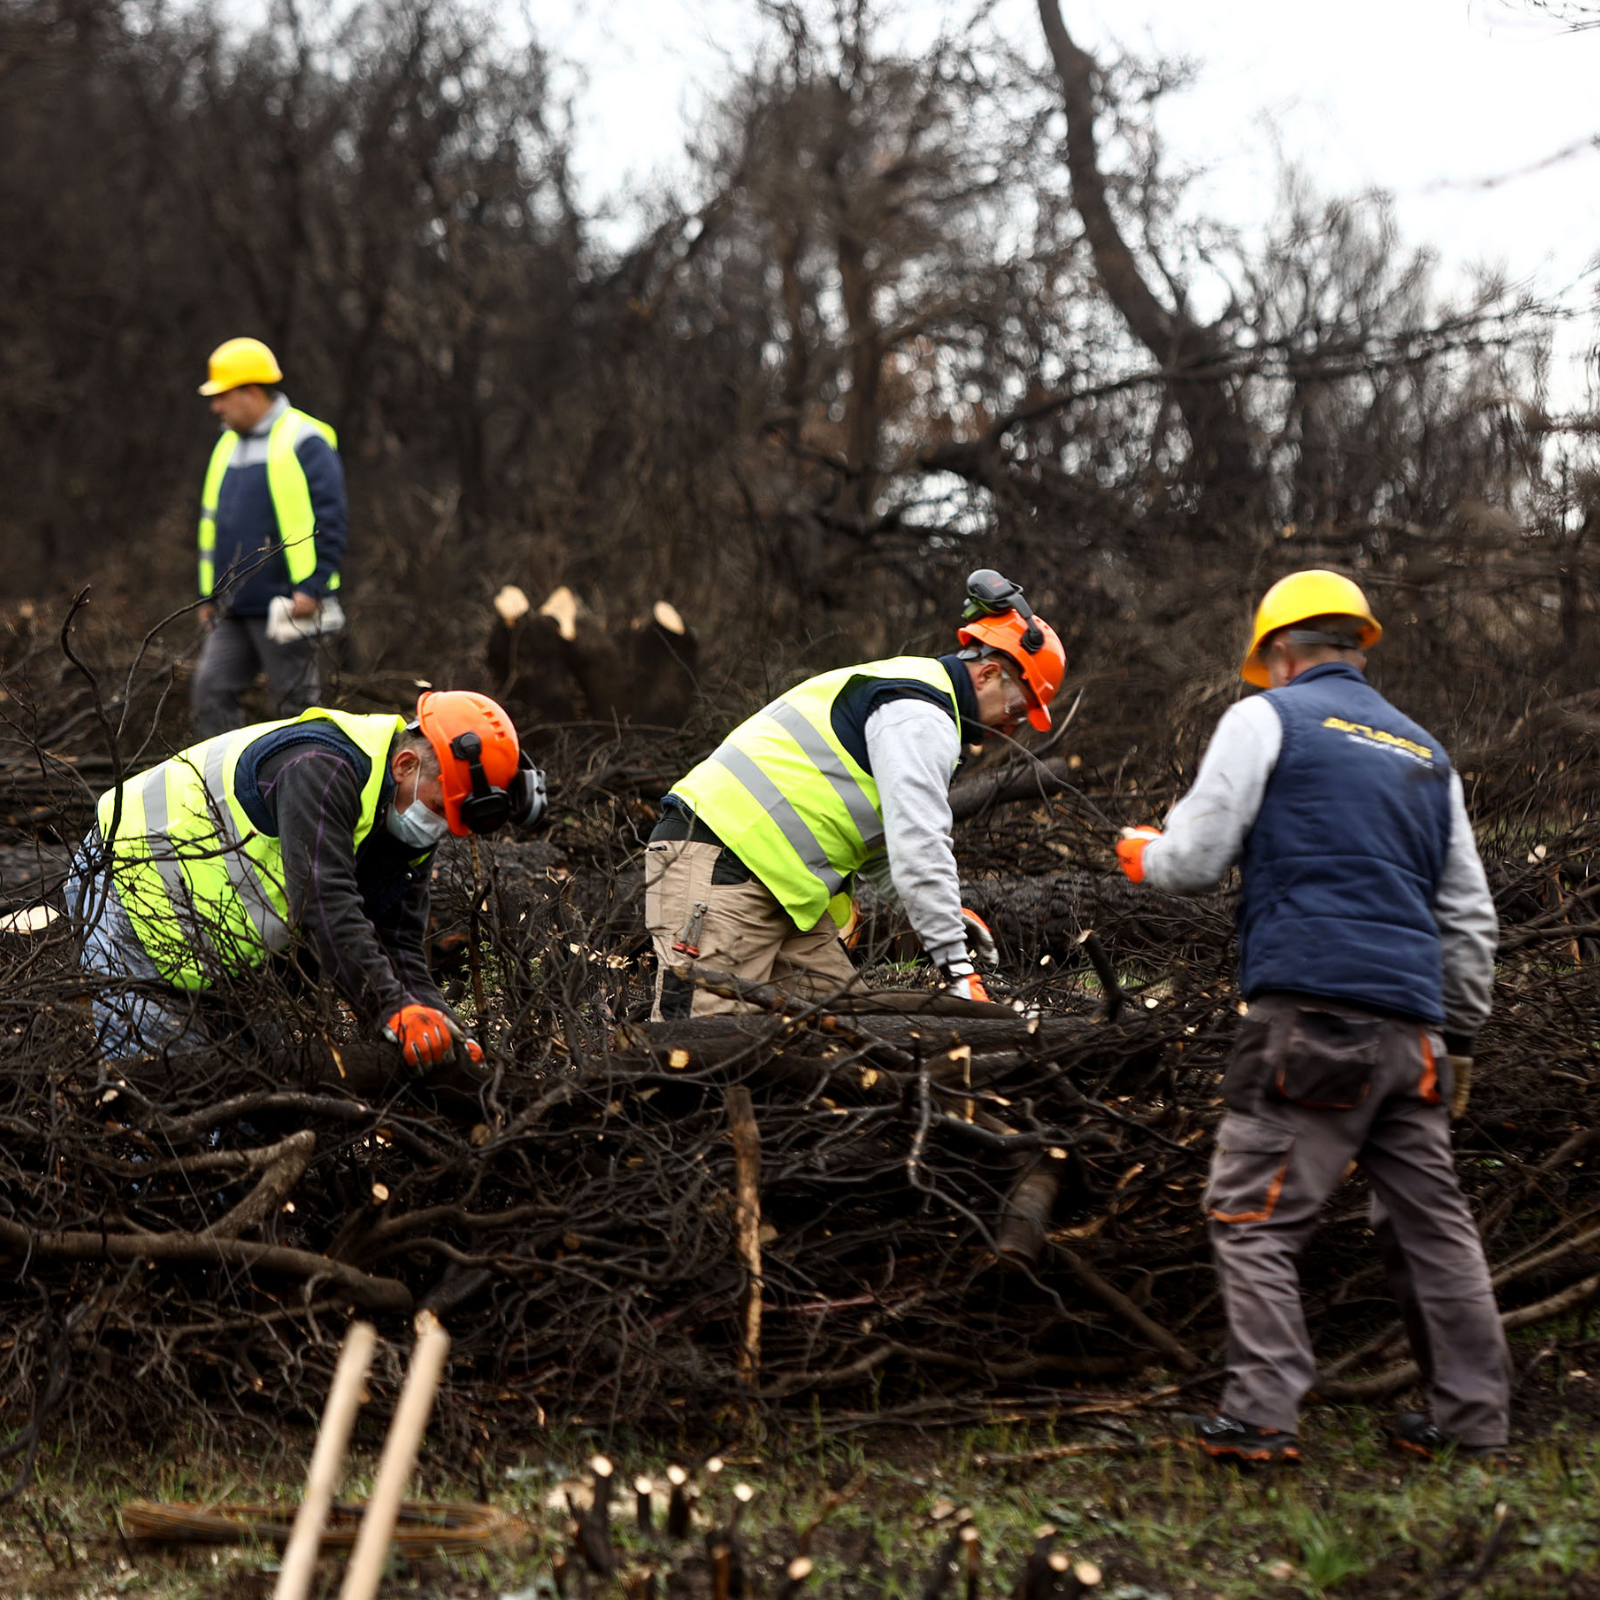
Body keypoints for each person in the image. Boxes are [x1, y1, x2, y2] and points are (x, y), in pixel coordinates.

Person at [1115, 569, 1508, 1466]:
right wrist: (1463, 1037)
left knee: (1250, 1213)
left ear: (1279, 653)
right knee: (1433, 1231)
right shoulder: (1426, 754)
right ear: (1355, 644)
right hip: (1417, 1037)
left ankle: (1260, 1414)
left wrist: (1147, 854)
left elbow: (1197, 860)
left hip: (1310, 1024)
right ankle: (1474, 1419)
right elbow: (1471, 915)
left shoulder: (1266, 720)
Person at [645, 571, 1066, 1018]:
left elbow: (883, 848)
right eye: (1018, 708)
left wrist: (943, 917)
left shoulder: (916, 701)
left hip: (783, 894)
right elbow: (919, 845)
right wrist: (959, 970)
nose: (1011, 726)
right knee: (700, 1043)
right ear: (988, 674)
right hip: (720, 864)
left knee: (850, 1030)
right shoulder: (921, 715)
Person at [67, 691, 545, 1068]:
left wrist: (435, 1024)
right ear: (405, 765)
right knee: (171, 1103)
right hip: (124, 891)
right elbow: (323, 904)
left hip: (213, 948)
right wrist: (391, 1009)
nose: (436, 828)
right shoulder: (321, 767)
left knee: (263, 1106)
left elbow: (397, 940)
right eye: (440, 810)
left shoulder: (401, 807)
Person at [191, 337, 348, 738]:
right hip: (232, 606)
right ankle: (222, 792)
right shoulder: (226, 445)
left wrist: (312, 588)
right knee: (210, 692)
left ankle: (304, 787)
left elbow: (331, 519)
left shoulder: (304, 439)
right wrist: (210, 596)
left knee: (297, 709)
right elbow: (213, 526)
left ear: (251, 392)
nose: (216, 407)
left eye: (222, 396)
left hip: (288, 606)